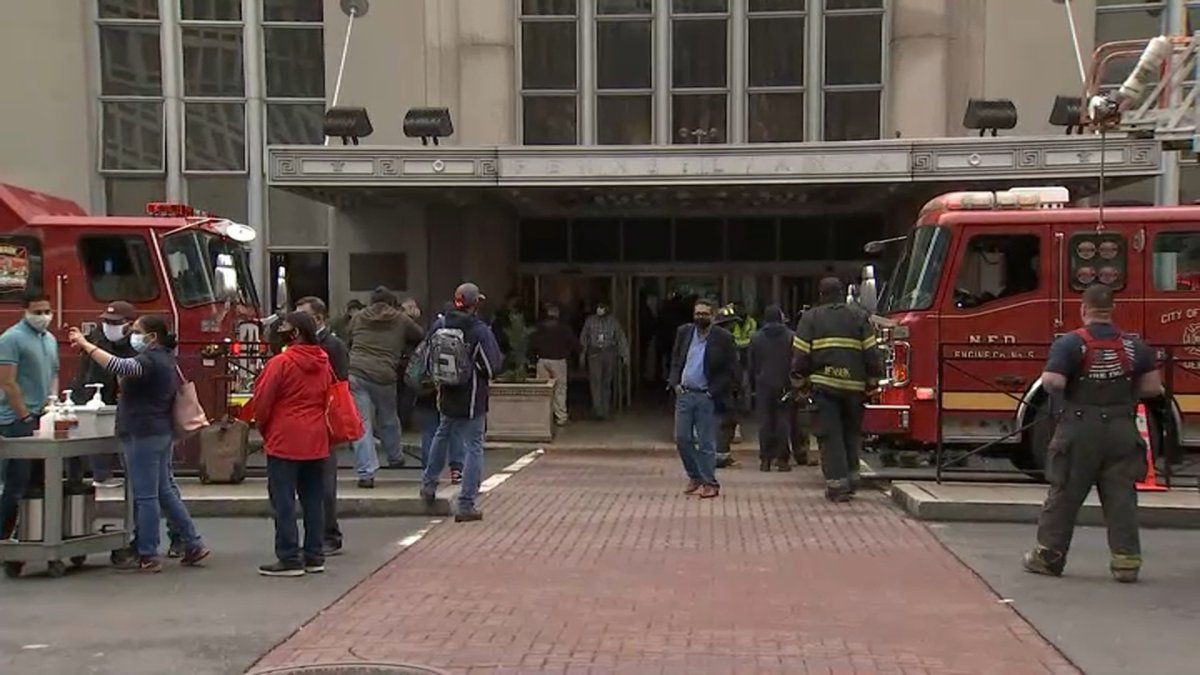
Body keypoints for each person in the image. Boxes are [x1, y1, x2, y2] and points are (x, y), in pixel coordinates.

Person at [1022, 285, 1161, 583]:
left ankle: (1049, 557)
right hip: (1122, 429)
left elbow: (1053, 381)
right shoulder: (1135, 346)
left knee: (1064, 494)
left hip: (1079, 429)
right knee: (1121, 497)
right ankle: (1126, 563)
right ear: (1112, 310)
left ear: (1084, 309)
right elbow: (1152, 388)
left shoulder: (1070, 343)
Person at [69, 315, 210, 572]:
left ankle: (148, 553)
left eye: (136, 331)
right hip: (160, 431)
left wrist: (86, 345)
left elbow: (118, 365)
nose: (132, 336)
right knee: (165, 491)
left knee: (146, 496)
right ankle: (193, 543)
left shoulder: (150, 360)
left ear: (152, 337)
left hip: (143, 432)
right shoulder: (165, 358)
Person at [249, 311, 333, 577]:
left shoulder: (281, 363)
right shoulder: (323, 361)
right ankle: (314, 554)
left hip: (284, 436)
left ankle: (289, 556)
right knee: (313, 499)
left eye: (285, 326)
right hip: (316, 436)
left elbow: (262, 401)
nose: (280, 329)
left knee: (283, 500)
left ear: (295, 332)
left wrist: (264, 427)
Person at [791, 277, 882, 502]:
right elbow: (872, 353)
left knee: (831, 436)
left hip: (824, 387)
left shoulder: (811, 317)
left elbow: (801, 355)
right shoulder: (859, 316)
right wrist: (872, 381)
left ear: (821, 294)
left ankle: (837, 485)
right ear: (841, 294)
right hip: (855, 388)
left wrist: (799, 383)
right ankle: (852, 480)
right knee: (851, 434)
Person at [419, 283, 502, 522]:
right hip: (472, 395)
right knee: (474, 446)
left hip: (446, 392)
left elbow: (427, 358)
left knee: (442, 434)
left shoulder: (441, 324)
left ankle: (429, 484)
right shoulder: (478, 329)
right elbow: (491, 366)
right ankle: (466, 504)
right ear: (475, 304)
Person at [347, 286, 424, 488]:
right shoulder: (401, 319)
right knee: (389, 417)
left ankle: (366, 472)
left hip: (357, 371)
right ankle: (395, 456)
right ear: (392, 302)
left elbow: (349, 336)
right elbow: (420, 335)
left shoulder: (359, 317)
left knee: (362, 423)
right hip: (385, 374)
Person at [0, 295, 60, 541]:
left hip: (43, 417)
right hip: (16, 421)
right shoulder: (11, 339)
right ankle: (3, 535)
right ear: (25, 311)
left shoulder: (50, 339)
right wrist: (24, 415)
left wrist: (53, 404)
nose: (43, 316)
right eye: (38, 312)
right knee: (16, 484)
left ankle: (30, 535)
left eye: (47, 311)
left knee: (39, 483)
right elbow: (7, 382)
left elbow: (54, 373)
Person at [296, 296, 350, 557]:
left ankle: (330, 533)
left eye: (302, 316)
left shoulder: (333, 345)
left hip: (325, 418)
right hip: (304, 420)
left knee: (326, 482)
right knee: (308, 483)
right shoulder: (297, 344)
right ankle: (315, 536)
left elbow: (340, 382)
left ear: (318, 318)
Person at [667, 298, 737, 499]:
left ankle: (710, 482)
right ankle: (695, 476)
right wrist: (674, 382)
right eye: (697, 313)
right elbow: (676, 359)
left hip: (706, 396)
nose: (700, 317)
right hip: (684, 393)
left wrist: (713, 391)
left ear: (713, 316)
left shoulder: (723, 338)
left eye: (704, 314)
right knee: (682, 438)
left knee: (706, 442)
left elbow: (731, 369)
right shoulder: (684, 332)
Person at [69, 301, 139, 489]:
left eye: (116, 322)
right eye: (107, 321)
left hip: (120, 396)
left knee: (119, 436)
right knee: (79, 433)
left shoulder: (135, 344)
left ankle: (129, 477)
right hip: (87, 391)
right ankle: (80, 479)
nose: (110, 326)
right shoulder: (97, 336)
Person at [749, 306, 795, 472]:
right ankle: (782, 460)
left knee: (765, 422)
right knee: (783, 421)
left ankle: (765, 459)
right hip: (785, 383)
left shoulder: (756, 338)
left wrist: (754, 382)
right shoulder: (791, 336)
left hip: (763, 383)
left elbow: (752, 363)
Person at [580, 301, 628, 420]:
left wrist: (624, 355)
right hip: (594, 353)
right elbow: (584, 338)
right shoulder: (590, 321)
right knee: (596, 381)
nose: (600, 310)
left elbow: (620, 338)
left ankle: (605, 409)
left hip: (609, 352)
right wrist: (582, 354)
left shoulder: (613, 322)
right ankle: (597, 409)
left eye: (602, 308)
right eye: (598, 307)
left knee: (607, 381)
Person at [530, 304, 576, 426]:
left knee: (543, 390)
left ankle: (544, 417)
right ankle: (561, 417)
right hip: (558, 360)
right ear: (557, 315)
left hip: (542, 360)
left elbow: (532, 344)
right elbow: (572, 344)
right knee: (560, 389)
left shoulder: (539, 328)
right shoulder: (564, 329)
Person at [713, 305, 744, 469]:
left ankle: (720, 454)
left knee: (722, 421)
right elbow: (733, 365)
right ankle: (720, 456)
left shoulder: (710, 338)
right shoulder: (725, 339)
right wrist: (738, 384)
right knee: (726, 421)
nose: (733, 326)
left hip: (717, 386)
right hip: (724, 387)